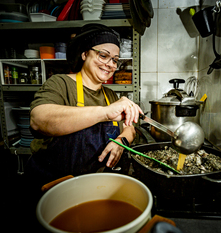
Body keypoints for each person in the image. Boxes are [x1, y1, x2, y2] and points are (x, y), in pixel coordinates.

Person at [25, 23, 143, 186]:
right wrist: (105, 113)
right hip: (56, 185)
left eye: (115, 60)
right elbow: (38, 120)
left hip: (95, 184)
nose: (111, 64)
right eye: (103, 55)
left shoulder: (110, 95)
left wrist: (121, 142)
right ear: (84, 54)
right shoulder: (60, 84)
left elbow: (129, 128)